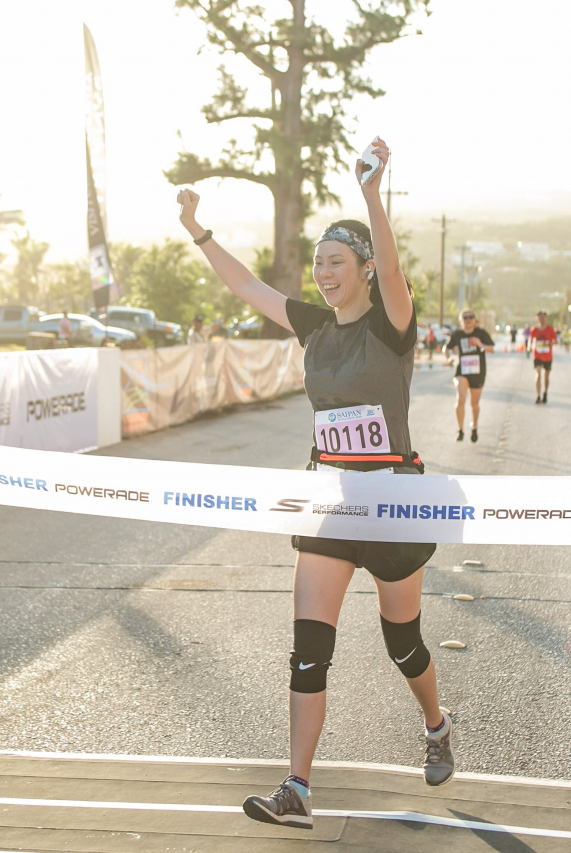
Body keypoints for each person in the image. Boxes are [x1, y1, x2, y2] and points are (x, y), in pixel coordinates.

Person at [177, 136, 454, 831]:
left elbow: (394, 268)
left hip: (392, 505)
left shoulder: (393, 326)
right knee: (308, 650)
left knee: (404, 646)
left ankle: (436, 721)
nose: (325, 274)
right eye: (320, 264)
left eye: (337, 263)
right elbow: (246, 286)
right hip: (330, 503)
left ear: (363, 268)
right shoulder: (313, 326)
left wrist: (371, 196)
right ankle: (297, 787)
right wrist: (197, 231)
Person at [445, 311, 494, 442]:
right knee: (461, 399)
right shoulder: (458, 334)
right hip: (462, 371)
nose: (468, 319)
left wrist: (480, 344)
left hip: (478, 373)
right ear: (462, 320)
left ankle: (474, 427)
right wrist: (449, 358)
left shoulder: (481, 333)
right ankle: (460, 430)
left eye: (471, 317)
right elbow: (447, 348)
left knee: (474, 404)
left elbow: (492, 349)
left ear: (475, 319)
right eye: (465, 317)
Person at [527, 311, 557, 404]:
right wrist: (529, 347)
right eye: (540, 317)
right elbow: (530, 340)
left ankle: (545, 392)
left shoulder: (550, 329)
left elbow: (556, 341)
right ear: (537, 319)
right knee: (538, 373)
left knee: (546, 376)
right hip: (537, 355)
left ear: (546, 319)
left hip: (548, 356)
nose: (542, 319)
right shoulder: (534, 330)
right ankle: (538, 395)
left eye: (543, 317)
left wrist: (548, 343)